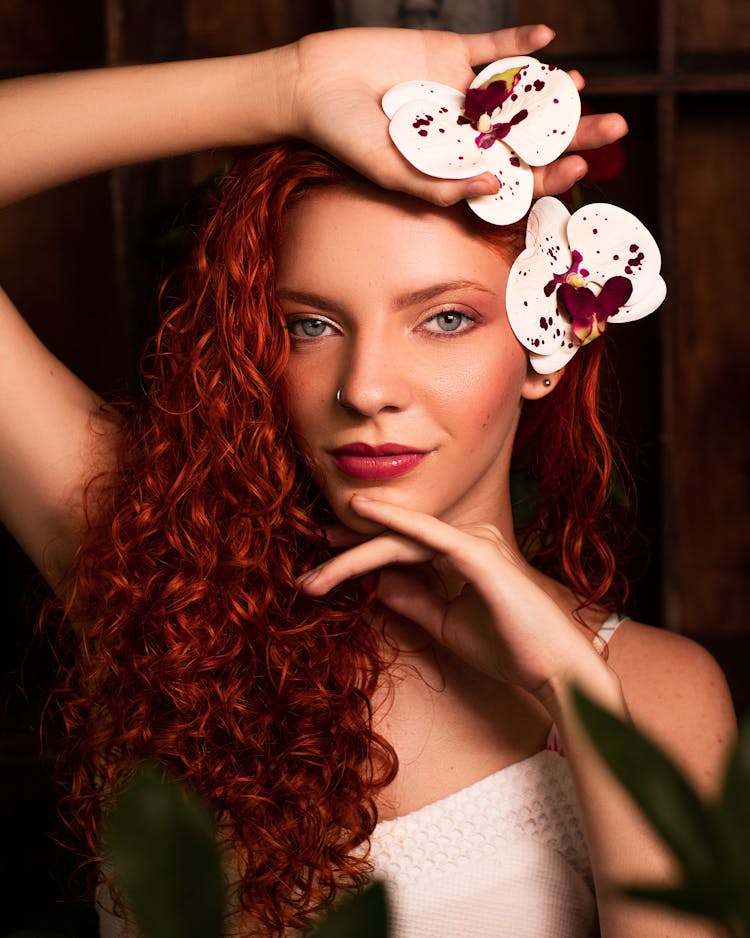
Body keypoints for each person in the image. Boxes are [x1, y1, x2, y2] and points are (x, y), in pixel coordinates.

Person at [0, 23, 736, 938]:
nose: (367, 388)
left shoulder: (659, 692)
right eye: (310, 326)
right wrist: (285, 83)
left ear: (549, 343)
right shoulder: (157, 578)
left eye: (444, 320)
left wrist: (573, 693)